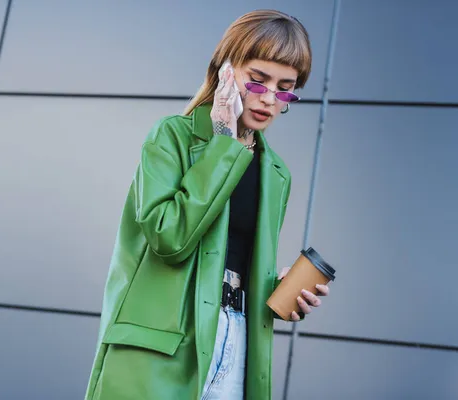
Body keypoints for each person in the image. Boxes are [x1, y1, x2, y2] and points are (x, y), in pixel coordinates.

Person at [85, 9, 330, 400]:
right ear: (226, 72)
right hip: (168, 344)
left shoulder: (276, 172)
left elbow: (230, 257)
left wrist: (281, 291)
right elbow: (170, 237)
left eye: (285, 88)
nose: (269, 99)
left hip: (239, 340)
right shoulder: (172, 137)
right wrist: (223, 143)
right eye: (258, 79)